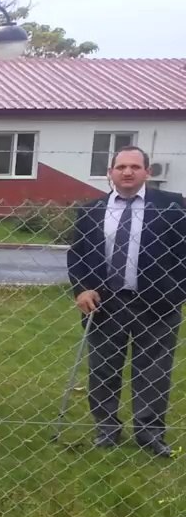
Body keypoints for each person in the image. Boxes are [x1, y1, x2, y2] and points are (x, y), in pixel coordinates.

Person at [67, 145, 186, 458]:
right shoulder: (91, 210)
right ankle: (107, 430)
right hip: (106, 305)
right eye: (121, 167)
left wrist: (176, 292)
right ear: (111, 173)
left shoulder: (173, 206)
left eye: (135, 166)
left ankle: (149, 434)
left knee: (154, 371)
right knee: (103, 370)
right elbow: (77, 255)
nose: (128, 172)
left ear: (147, 172)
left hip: (158, 304)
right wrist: (82, 289)